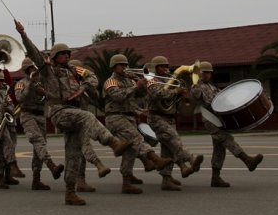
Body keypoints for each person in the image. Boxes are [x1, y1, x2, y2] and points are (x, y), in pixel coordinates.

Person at [14, 20, 131, 206]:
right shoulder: (48, 70)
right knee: (89, 116)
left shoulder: (73, 70)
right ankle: (113, 142)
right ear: (54, 56)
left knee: (73, 154)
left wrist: (83, 86)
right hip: (59, 111)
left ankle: (70, 192)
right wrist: (23, 34)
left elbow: (92, 78)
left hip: (73, 113)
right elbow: (35, 54)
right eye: (62, 54)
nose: (66, 56)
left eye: (67, 54)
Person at [104, 54, 173, 194]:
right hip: (115, 118)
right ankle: (155, 159)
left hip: (128, 117)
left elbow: (139, 97)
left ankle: (127, 182)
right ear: (114, 66)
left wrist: (141, 85)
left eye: (126, 65)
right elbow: (118, 97)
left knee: (131, 149)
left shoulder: (129, 81)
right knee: (137, 139)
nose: (124, 67)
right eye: (121, 65)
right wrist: (136, 86)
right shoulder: (110, 82)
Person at [190, 61, 264, 187]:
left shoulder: (213, 87)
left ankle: (215, 177)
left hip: (219, 118)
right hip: (210, 119)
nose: (207, 75)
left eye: (209, 73)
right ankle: (247, 160)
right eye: (204, 72)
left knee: (219, 148)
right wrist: (196, 79)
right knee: (226, 139)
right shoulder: (195, 87)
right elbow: (196, 96)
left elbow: (223, 99)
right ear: (199, 73)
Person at [146, 56, 203, 191]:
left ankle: (166, 179)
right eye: (162, 66)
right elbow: (157, 94)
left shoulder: (170, 80)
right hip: (156, 117)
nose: (166, 69)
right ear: (155, 68)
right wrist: (175, 91)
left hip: (169, 117)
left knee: (168, 150)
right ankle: (191, 159)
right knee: (174, 139)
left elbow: (173, 98)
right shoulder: (151, 80)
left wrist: (182, 94)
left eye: (167, 66)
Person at [15, 58, 64, 190]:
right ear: (26, 70)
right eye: (30, 69)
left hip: (40, 115)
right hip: (27, 114)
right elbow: (19, 98)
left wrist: (44, 92)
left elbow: (52, 96)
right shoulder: (21, 83)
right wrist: (30, 84)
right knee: (38, 142)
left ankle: (36, 179)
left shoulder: (42, 82)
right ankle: (52, 166)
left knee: (39, 148)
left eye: (34, 68)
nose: (33, 71)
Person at [68, 59, 109, 192]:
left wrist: (87, 86)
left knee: (79, 150)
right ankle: (97, 165)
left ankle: (80, 181)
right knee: (80, 148)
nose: (78, 72)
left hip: (83, 119)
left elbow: (95, 96)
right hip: (72, 120)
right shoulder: (67, 84)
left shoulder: (84, 83)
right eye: (76, 69)